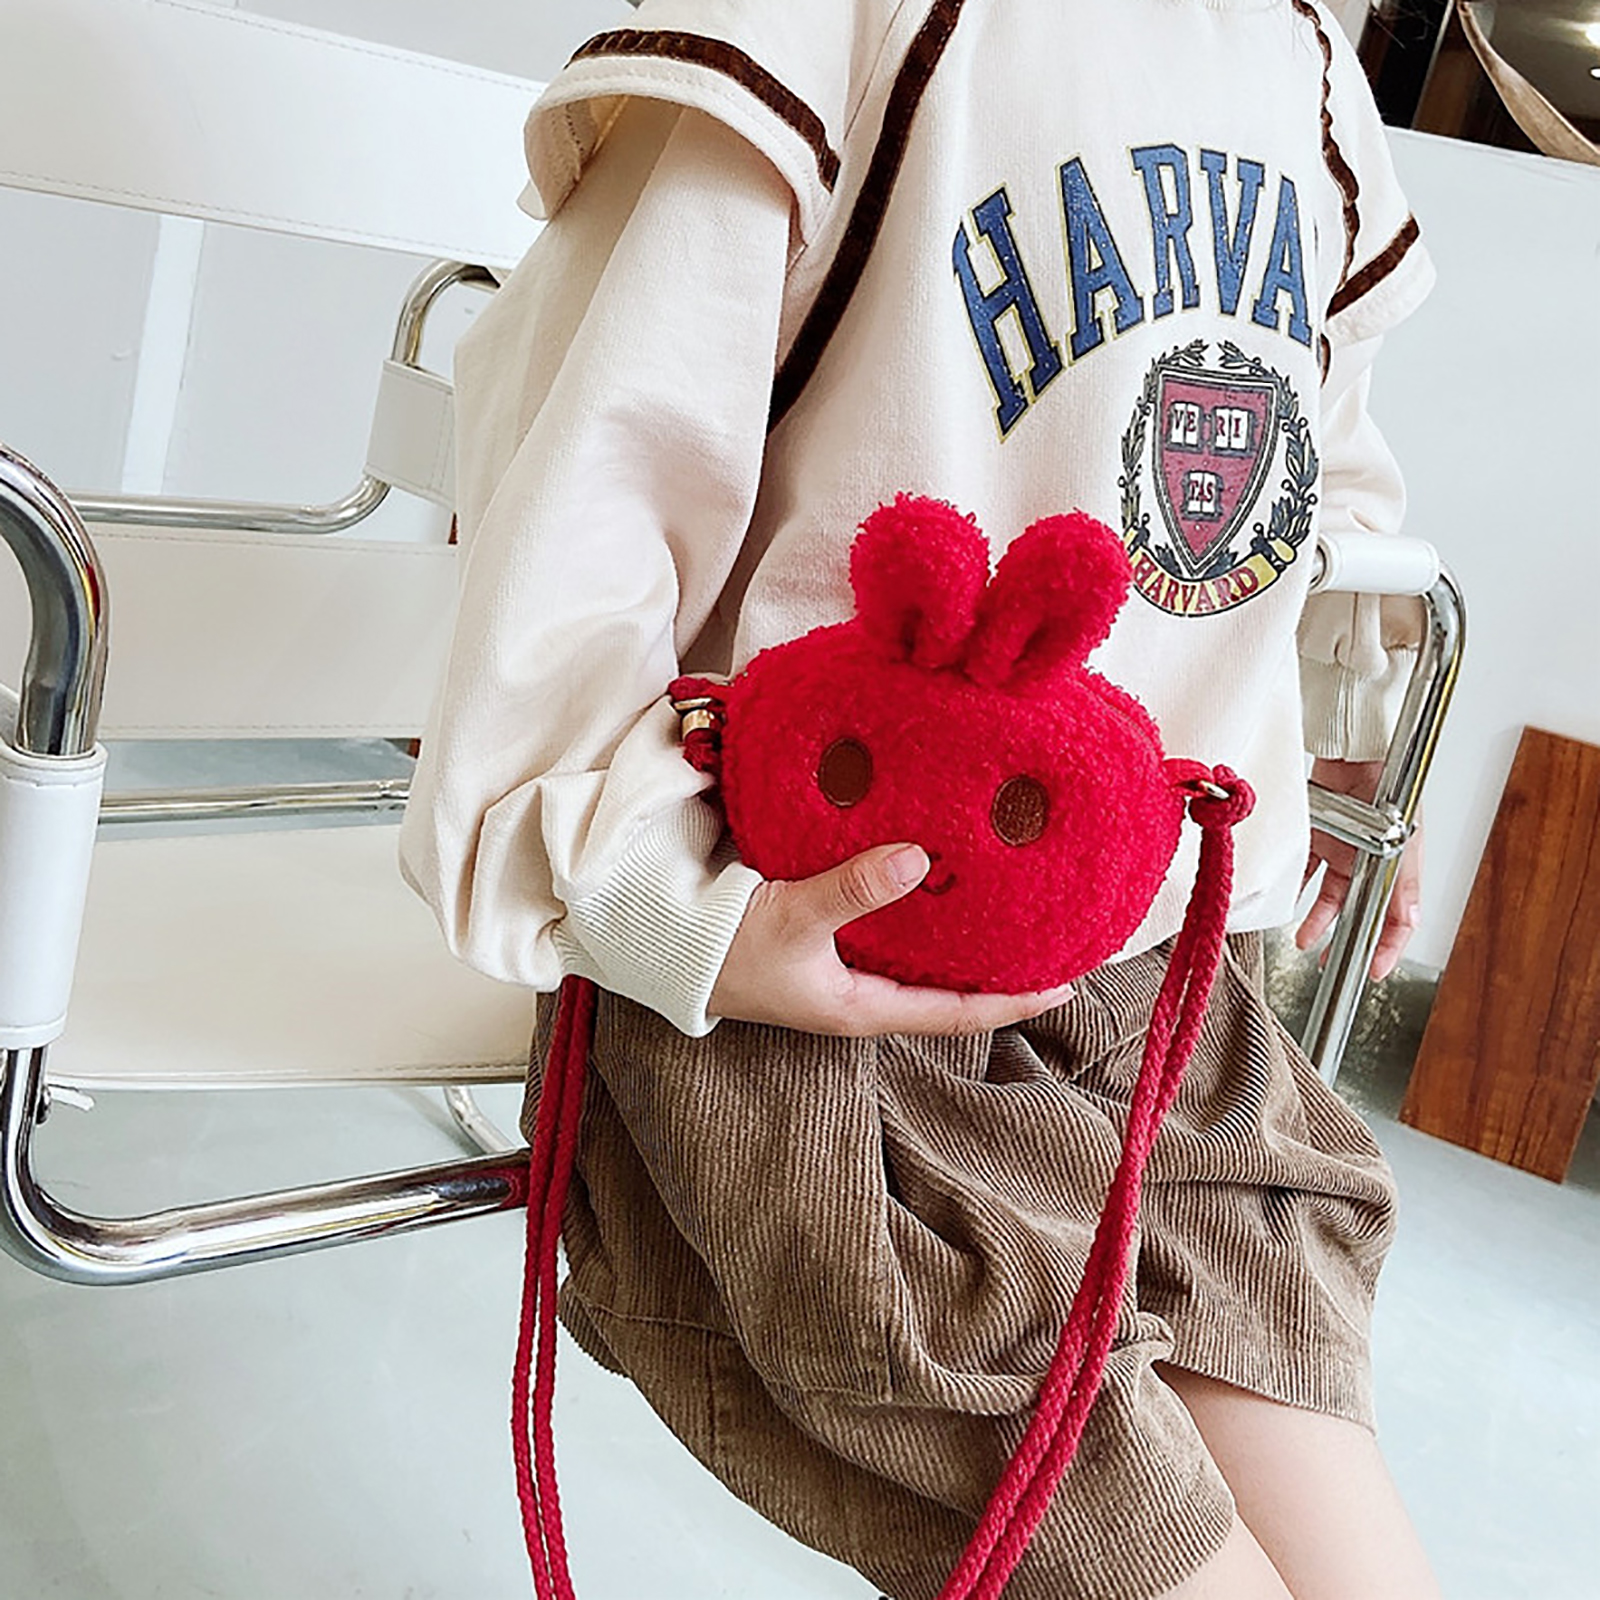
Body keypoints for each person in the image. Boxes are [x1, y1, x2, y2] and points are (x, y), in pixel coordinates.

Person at [400, 1, 1442, 1595]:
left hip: (1160, 984)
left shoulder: (1299, 56)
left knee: (1339, 1514)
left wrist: (1350, 731)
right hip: (819, 978)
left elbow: (1318, 449)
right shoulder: (832, 21)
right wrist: (665, 899)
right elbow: (589, 478)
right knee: (1120, 1533)